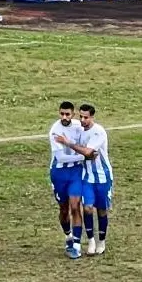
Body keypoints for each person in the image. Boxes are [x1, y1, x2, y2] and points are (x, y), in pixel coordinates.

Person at [55, 103, 112, 255]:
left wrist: (68, 143)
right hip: (87, 176)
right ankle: (91, 241)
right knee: (87, 208)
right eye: (81, 116)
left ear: (92, 117)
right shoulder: (80, 131)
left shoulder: (98, 132)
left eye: (86, 117)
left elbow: (87, 152)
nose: (83, 120)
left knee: (101, 210)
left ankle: (102, 240)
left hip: (102, 177)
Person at [49, 101, 85, 259]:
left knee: (75, 206)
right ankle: (68, 236)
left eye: (67, 114)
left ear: (73, 114)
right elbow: (61, 158)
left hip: (76, 172)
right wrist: (84, 155)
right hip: (59, 173)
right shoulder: (55, 131)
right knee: (64, 209)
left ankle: (77, 244)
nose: (64, 117)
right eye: (61, 114)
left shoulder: (78, 127)